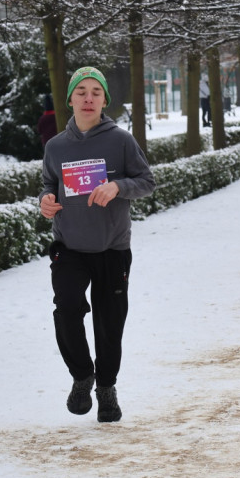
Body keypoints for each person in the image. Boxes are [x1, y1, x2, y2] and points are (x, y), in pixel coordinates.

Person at [39, 66, 156, 423]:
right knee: (67, 310)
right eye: (81, 92)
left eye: (95, 92)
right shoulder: (56, 146)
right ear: (70, 98)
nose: (88, 98)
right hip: (69, 247)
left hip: (112, 249)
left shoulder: (120, 141)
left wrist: (118, 186)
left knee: (110, 323)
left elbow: (147, 181)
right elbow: (48, 184)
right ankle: (82, 376)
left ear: (105, 99)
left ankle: (106, 388)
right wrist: (45, 201)